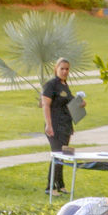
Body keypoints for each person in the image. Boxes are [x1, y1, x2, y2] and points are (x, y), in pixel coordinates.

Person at [41, 57, 75, 193]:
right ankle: (50, 187)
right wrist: (49, 125)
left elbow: (69, 102)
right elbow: (45, 105)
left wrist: (81, 103)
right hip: (54, 125)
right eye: (62, 69)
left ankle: (60, 185)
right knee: (57, 155)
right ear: (56, 69)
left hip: (66, 126)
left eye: (67, 69)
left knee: (64, 155)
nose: (65, 71)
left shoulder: (65, 85)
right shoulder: (51, 85)